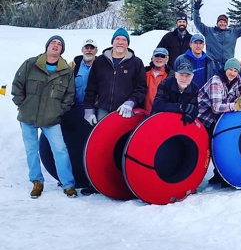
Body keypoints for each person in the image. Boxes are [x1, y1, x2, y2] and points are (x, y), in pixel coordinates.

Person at [12, 36, 77, 198]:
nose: (56, 45)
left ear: (62, 50)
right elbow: (17, 85)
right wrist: (22, 104)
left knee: (60, 150)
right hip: (28, 117)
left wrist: (59, 110)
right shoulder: (31, 64)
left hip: (51, 119)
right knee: (31, 150)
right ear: (47, 46)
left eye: (59, 44)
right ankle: (37, 181)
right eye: (53, 43)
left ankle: (68, 184)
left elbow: (70, 95)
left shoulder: (66, 71)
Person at [197, 58, 241, 186]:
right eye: (231, 69)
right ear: (225, 69)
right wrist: (235, 106)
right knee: (208, 147)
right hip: (204, 119)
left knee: (221, 145)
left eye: (236, 70)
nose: (233, 73)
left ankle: (220, 175)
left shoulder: (236, 79)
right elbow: (216, 108)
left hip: (220, 118)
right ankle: (197, 178)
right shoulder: (216, 81)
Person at [84, 28, 147, 124]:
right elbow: (91, 88)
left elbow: (141, 88)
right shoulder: (100, 61)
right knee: (103, 136)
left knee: (123, 138)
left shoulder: (136, 63)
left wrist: (131, 103)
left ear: (128, 44)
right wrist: (89, 109)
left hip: (126, 111)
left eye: (124, 40)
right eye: (117, 39)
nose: (120, 42)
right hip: (103, 110)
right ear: (112, 42)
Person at [192, 0, 241, 70]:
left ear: (226, 24)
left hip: (228, 64)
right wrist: (196, 10)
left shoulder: (233, 33)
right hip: (212, 64)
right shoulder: (209, 31)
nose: (222, 23)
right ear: (217, 23)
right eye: (220, 22)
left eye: (224, 22)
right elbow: (197, 23)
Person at [70, 38, 98, 107]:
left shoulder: (102, 67)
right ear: (82, 50)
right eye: (86, 48)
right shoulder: (73, 66)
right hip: (75, 107)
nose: (89, 50)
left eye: (92, 48)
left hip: (94, 108)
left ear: (96, 51)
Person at [144, 47, 171, 114]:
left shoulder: (172, 76)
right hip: (142, 113)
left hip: (161, 115)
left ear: (167, 59)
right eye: (156, 55)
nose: (159, 58)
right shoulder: (143, 72)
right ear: (152, 58)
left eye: (162, 56)